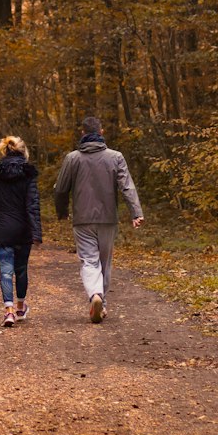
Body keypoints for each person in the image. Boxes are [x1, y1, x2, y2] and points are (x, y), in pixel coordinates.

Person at [53, 115, 143, 323]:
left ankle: (95, 295)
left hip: (82, 219)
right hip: (108, 218)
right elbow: (127, 186)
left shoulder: (72, 158)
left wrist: (62, 211)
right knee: (105, 263)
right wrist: (136, 213)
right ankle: (102, 304)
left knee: (89, 261)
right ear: (101, 133)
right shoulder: (116, 157)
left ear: (83, 133)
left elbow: (60, 189)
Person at [0, 134, 43, 328]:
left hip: (2, 228)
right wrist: (36, 232)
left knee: (6, 271)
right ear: (23, 151)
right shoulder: (28, 174)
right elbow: (32, 205)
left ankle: (9, 311)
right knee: (21, 270)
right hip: (23, 230)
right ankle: (21, 307)